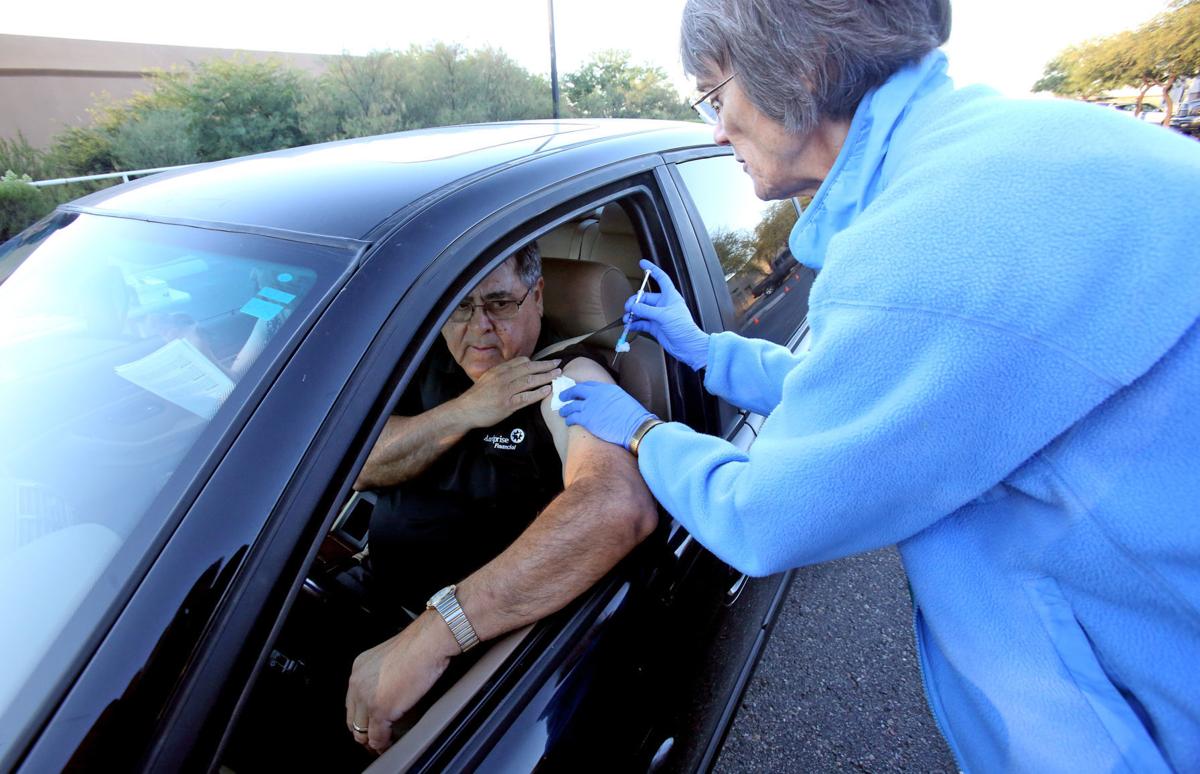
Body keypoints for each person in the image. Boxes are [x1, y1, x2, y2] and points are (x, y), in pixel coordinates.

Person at [557, 1, 1200, 771]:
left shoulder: (921, 241)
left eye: (713, 95)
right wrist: (705, 351)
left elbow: (762, 515)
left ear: (801, 64)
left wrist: (638, 431)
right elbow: (881, 386)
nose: (716, 131)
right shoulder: (1005, 154)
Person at [344, 243, 658, 752]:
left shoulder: (567, 377)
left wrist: (435, 635)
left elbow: (615, 504)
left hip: (481, 656)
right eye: (461, 308)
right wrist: (466, 411)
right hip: (371, 598)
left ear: (536, 296)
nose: (479, 327)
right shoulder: (430, 365)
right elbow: (358, 467)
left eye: (499, 303)